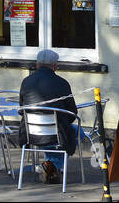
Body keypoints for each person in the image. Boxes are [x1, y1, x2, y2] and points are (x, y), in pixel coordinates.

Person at [19, 49, 78, 184]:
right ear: (55, 65)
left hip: (30, 133)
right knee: (77, 131)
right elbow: (72, 112)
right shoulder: (62, 83)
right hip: (57, 133)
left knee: (54, 136)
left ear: (37, 64)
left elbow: (22, 109)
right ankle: (53, 166)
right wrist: (61, 123)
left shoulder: (26, 82)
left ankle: (50, 167)